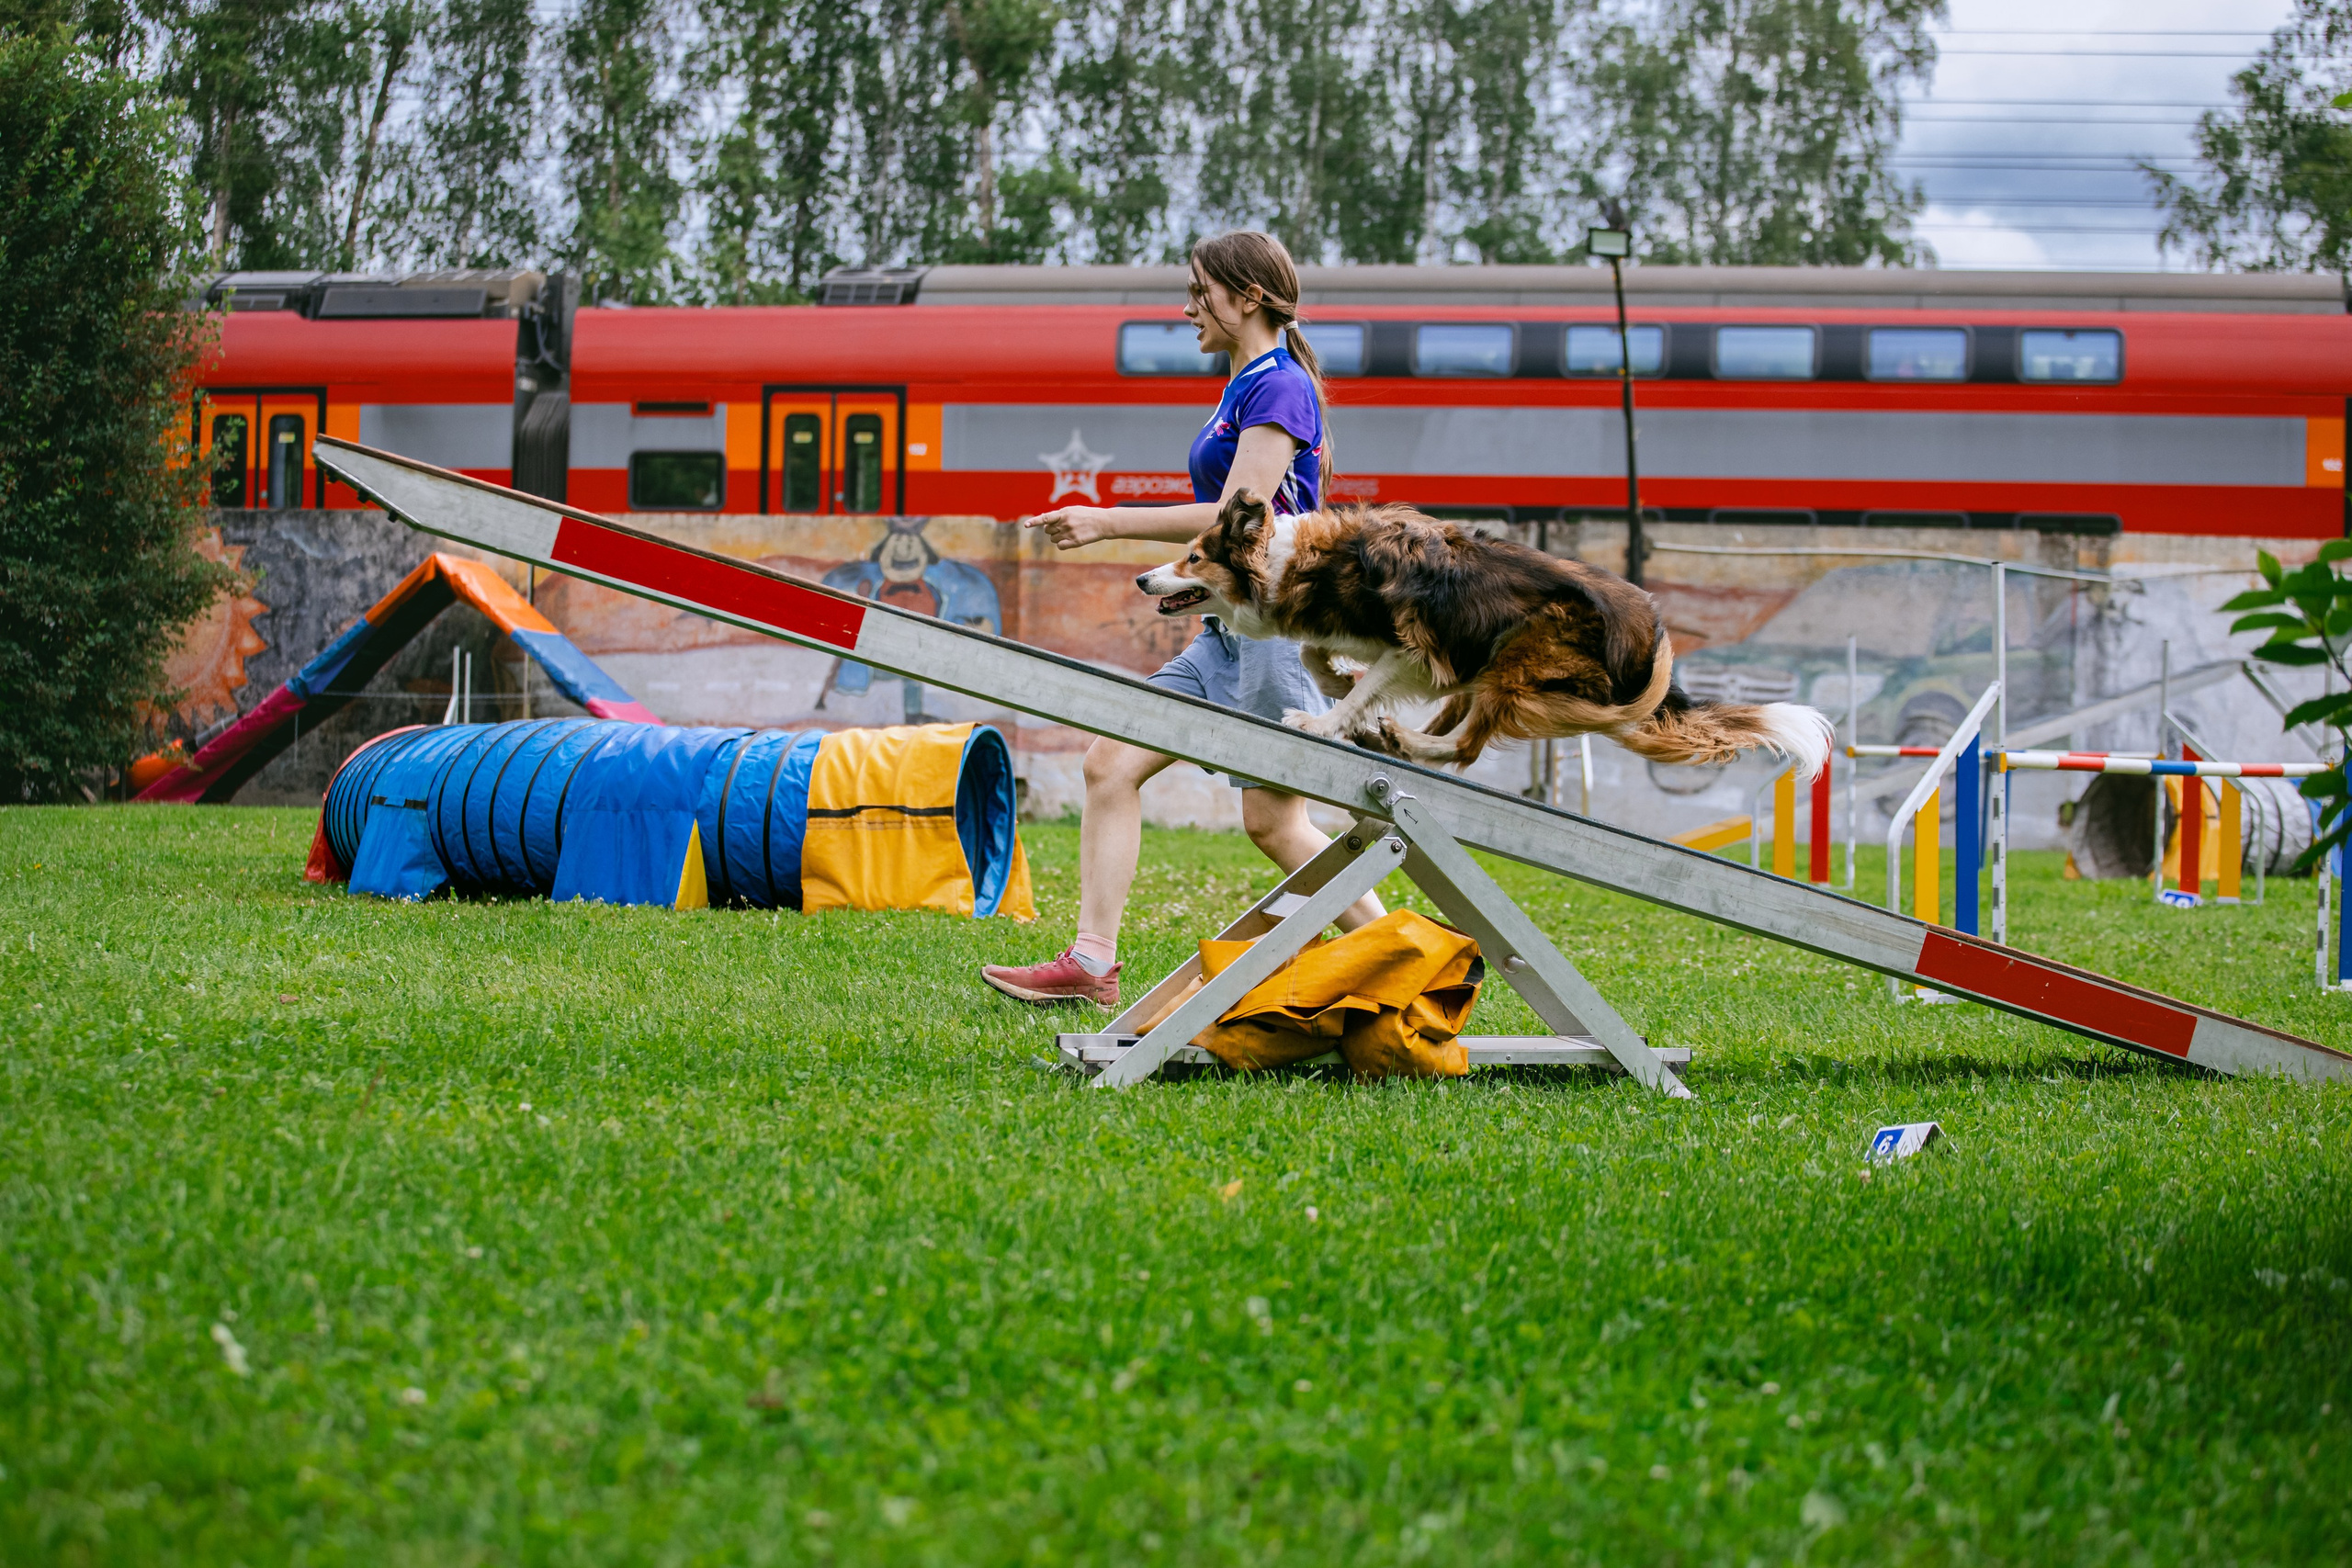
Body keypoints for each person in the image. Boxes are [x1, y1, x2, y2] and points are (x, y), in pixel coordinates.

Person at [979, 231, 1385, 1010]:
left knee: (1272, 821)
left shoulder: (1281, 386)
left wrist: (1106, 522)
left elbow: (1241, 516)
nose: (1188, 306)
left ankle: (1403, 951)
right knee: (1111, 763)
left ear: (1251, 298)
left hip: (1275, 638)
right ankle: (1092, 962)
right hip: (1226, 634)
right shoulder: (1244, 386)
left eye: (1203, 291)